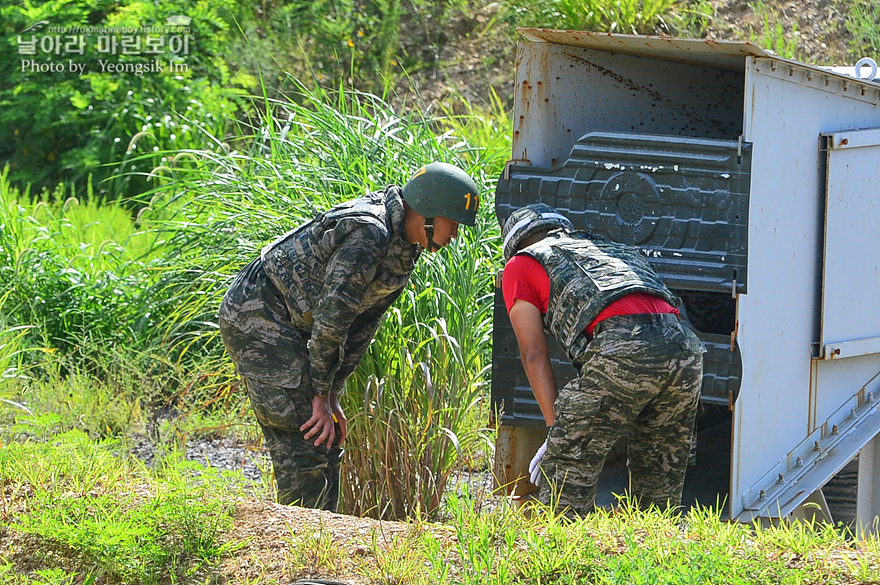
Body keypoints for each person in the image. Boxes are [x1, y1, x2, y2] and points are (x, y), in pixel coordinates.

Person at [219, 162, 480, 511]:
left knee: (327, 440)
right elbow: (331, 320)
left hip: (298, 323)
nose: (454, 236)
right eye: (454, 224)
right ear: (428, 213)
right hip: (259, 312)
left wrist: (334, 393)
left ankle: (321, 538)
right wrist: (319, 396)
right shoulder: (369, 234)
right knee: (306, 435)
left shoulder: (405, 246)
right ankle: (301, 543)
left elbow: (362, 325)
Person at [500, 203, 704, 516]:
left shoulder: (521, 263)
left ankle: (562, 559)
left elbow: (533, 355)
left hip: (625, 347)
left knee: (566, 477)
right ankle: (654, 556)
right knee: (658, 489)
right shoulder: (608, 249)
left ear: (515, 244)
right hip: (686, 351)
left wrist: (558, 434)